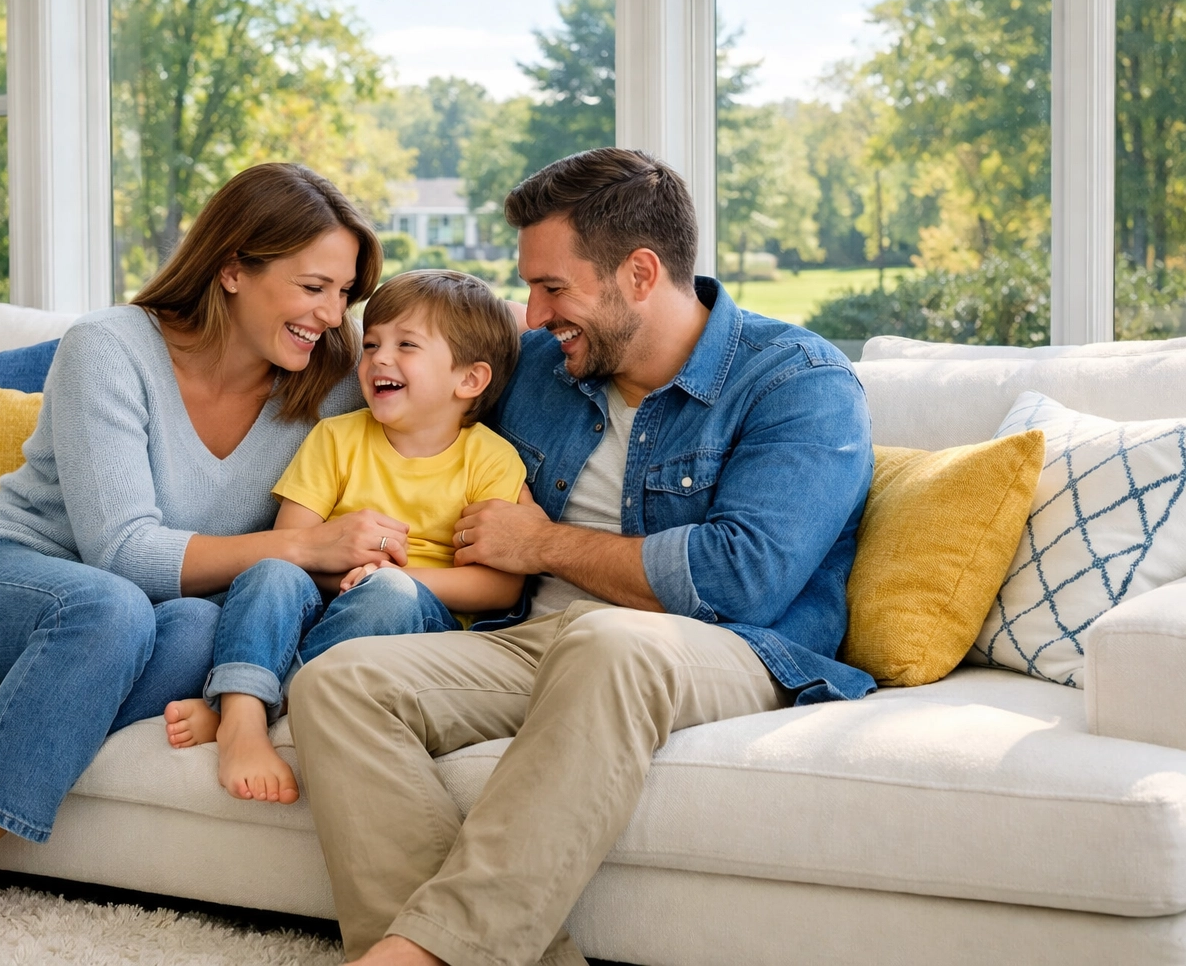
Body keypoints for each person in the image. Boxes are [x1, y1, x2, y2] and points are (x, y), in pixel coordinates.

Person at [0, 163, 418, 953]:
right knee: (110, 606)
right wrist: (302, 543)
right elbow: (122, 553)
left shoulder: (328, 384)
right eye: (313, 288)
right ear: (233, 268)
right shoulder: (110, 347)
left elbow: (444, 378)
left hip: (147, 618)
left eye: (345, 293)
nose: (332, 315)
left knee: (204, 629)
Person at [288, 148, 877, 966]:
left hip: (726, 648)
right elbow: (396, 388)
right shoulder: (537, 367)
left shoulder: (797, 380)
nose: (530, 316)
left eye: (552, 288)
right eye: (528, 286)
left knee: (611, 641)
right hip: (538, 640)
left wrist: (541, 543)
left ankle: (418, 958)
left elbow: (745, 576)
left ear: (640, 272)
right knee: (338, 683)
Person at [163, 270, 528, 805]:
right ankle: (241, 719)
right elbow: (291, 546)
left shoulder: (491, 460)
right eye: (372, 343)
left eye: (406, 346)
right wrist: (345, 571)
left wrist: (394, 577)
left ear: (469, 380)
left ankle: (245, 706)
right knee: (268, 572)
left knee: (388, 595)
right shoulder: (336, 437)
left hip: (418, 619)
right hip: (320, 599)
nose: (380, 358)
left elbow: (500, 590)